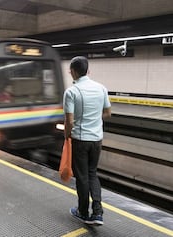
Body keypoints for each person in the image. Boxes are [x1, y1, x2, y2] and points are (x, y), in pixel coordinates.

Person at [64, 56, 111, 225]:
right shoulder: (101, 88)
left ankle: (83, 212)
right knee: (92, 174)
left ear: (74, 71)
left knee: (82, 177)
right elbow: (108, 113)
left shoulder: (71, 92)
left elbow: (69, 120)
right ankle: (98, 212)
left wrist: (66, 135)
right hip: (97, 140)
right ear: (87, 71)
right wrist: (93, 118)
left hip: (81, 140)